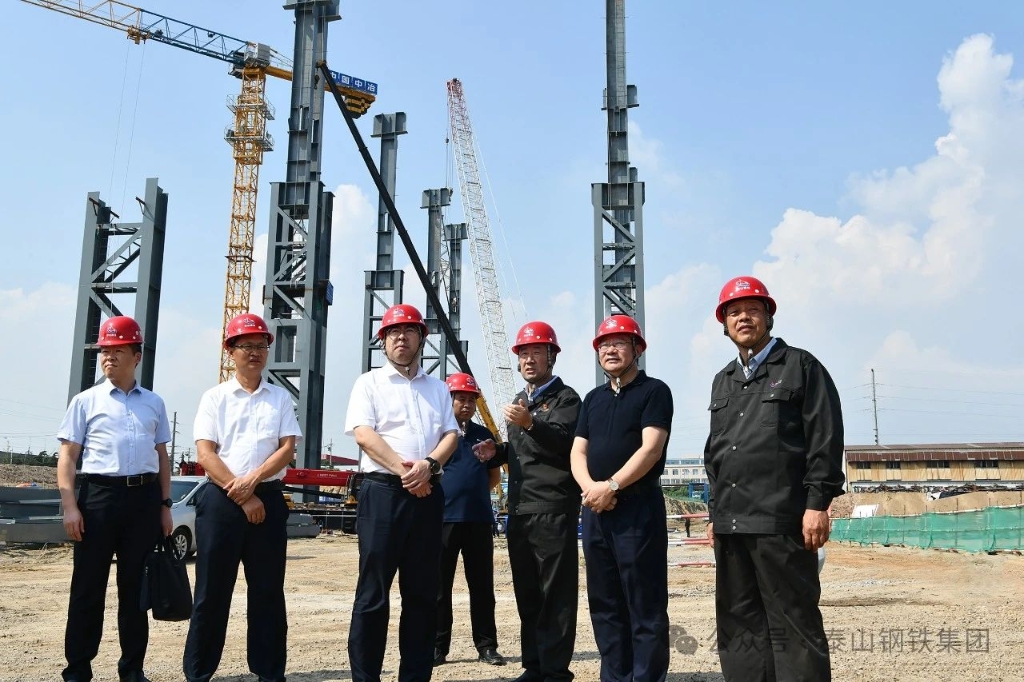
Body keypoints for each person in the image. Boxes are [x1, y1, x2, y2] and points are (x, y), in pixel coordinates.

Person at [705, 276, 846, 681]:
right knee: (740, 626)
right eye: (734, 312)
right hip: (732, 524)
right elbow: (716, 453)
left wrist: (817, 504)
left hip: (781, 521)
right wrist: (715, 513)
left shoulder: (801, 367)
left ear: (768, 316)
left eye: (752, 309)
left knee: (793, 623)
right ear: (724, 324)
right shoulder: (723, 380)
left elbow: (825, 438)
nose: (743, 318)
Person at [183, 313, 302, 682]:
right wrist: (243, 493)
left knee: (268, 592)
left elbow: (287, 450)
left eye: (261, 346)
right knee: (211, 592)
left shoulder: (280, 398)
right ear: (230, 351)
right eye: (246, 345)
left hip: (268, 499)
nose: (255, 352)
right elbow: (205, 454)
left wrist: (252, 481)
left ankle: (269, 672)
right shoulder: (215, 398)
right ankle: (199, 672)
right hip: (222, 501)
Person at [345, 303, 459, 682]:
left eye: (410, 331)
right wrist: (408, 471)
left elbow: (451, 435)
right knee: (373, 593)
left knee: (422, 594)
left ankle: (415, 676)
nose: (401, 337)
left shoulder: (438, 388)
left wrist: (430, 465)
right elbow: (364, 435)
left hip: (428, 495)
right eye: (394, 332)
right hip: (383, 494)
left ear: (422, 338)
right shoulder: (369, 384)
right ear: (383, 340)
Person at [56, 315, 173, 682]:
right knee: (87, 588)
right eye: (104, 351)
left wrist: (165, 506)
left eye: (117, 350)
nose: (108, 357)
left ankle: (132, 669)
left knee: (135, 589)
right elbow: (67, 457)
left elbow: (162, 457)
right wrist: (71, 507)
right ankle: (78, 669)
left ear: (136, 356)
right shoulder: (85, 402)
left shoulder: (153, 403)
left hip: (143, 500)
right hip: (98, 499)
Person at [473, 321, 581, 682]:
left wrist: (531, 423)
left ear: (551, 356)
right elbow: (525, 451)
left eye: (536, 352)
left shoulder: (567, 399)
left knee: (556, 594)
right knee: (528, 593)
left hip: (552, 507)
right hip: (519, 509)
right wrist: (497, 451)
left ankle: (555, 672)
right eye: (523, 353)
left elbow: (564, 443)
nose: (529, 359)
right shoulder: (521, 400)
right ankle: (533, 667)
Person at [570, 315, 673, 682]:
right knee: (605, 602)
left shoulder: (654, 391)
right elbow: (578, 451)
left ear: (637, 349)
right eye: (604, 344)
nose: (610, 349)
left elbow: (651, 449)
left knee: (644, 602)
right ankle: (614, 677)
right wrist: (591, 490)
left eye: (618, 342)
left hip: (637, 509)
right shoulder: (592, 399)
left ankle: (646, 677)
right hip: (596, 512)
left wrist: (611, 486)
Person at [434, 372, 506, 667]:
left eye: (471, 400)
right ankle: (437, 647)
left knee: (482, 587)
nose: (466, 404)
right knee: (440, 588)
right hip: (443, 520)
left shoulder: (483, 435)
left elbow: (494, 475)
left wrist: (471, 494)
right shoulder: (438, 434)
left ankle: (487, 646)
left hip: (478, 519)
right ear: (448, 400)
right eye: (460, 398)